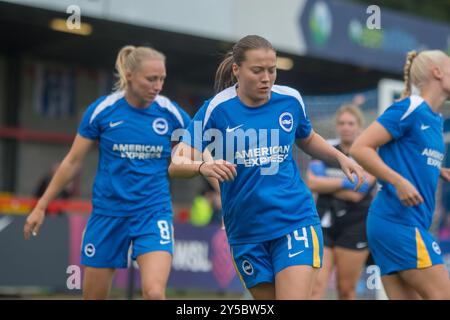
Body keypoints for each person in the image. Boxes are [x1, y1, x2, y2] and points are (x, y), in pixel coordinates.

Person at [168, 35, 365, 299]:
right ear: (237, 70)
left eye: (272, 70)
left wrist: (339, 158)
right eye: (257, 70)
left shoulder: (290, 100)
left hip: (294, 220)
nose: (267, 78)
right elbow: (176, 163)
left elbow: (306, 138)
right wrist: (203, 165)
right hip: (246, 230)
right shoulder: (216, 109)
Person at [23, 45, 191, 300]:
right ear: (130, 74)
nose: (158, 86)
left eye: (162, 79)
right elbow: (72, 162)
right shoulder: (102, 111)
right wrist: (41, 206)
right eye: (151, 79)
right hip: (108, 214)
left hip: (153, 213)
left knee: (155, 293)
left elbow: (202, 147)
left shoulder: (171, 113)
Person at [350, 50, 450, 299]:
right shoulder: (411, 107)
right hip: (398, 222)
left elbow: (409, 156)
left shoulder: (435, 119)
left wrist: (437, 170)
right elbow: (360, 148)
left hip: (397, 224)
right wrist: (398, 181)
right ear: (437, 72)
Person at [307, 104, 376, 300]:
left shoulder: (367, 152)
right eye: (342, 123)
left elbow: (359, 192)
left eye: (350, 123)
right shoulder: (326, 149)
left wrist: (327, 183)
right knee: (316, 286)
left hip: (355, 226)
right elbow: (313, 182)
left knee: (345, 289)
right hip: (323, 224)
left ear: (359, 126)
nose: (346, 127)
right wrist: (346, 182)